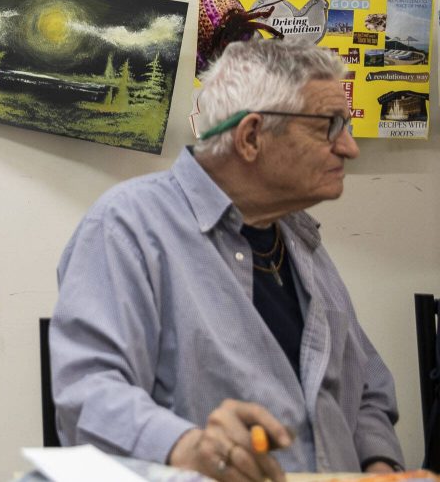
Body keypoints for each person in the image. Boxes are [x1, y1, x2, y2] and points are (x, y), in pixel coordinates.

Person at [50, 38, 403, 481]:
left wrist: (380, 465)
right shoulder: (128, 226)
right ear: (252, 136)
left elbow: (366, 386)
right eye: (329, 126)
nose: (349, 148)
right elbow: (88, 395)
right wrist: (187, 447)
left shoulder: (298, 236)